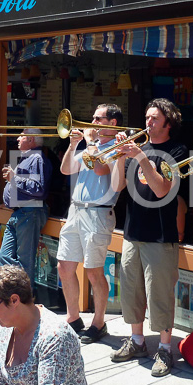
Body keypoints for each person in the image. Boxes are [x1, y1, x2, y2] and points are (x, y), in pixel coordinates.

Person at [110, 98, 188, 377]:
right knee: (131, 291)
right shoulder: (136, 150)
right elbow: (117, 185)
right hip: (133, 231)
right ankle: (137, 341)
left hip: (161, 234)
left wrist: (141, 157)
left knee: (160, 294)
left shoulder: (176, 151)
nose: (148, 123)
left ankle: (165, 349)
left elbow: (161, 190)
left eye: (154, 119)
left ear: (168, 122)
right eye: (146, 117)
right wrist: (121, 155)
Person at [56, 104, 122, 343]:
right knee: (64, 267)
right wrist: (74, 144)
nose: (91, 122)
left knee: (93, 272)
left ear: (112, 123)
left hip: (98, 213)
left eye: (98, 118)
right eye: (92, 117)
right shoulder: (88, 147)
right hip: (76, 211)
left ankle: (99, 322)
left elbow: (102, 170)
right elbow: (65, 169)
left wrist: (90, 144)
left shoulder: (116, 147)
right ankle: (73, 318)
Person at [0, 129, 52, 286]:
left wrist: (14, 178)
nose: (17, 138)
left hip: (30, 211)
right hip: (21, 212)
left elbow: (38, 189)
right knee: (4, 256)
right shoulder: (29, 158)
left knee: (25, 261)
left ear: (31, 139)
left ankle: (24, 301)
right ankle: (14, 292)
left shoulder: (37, 158)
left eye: (21, 135)